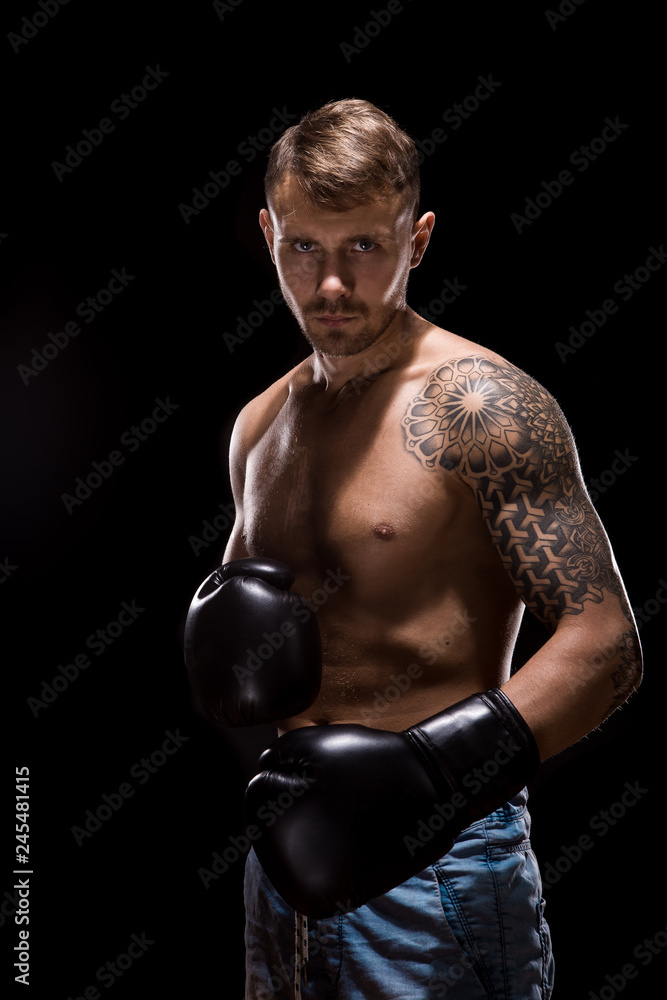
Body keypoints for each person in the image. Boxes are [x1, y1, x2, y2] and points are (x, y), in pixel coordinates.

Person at [185, 99, 642, 999]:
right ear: (269, 233)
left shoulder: (481, 407)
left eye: (364, 246)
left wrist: (428, 773)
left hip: (437, 863)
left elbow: (606, 643)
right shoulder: (259, 426)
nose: (330, 285)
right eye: (303, 247)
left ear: (418, 238)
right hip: (284, 859)